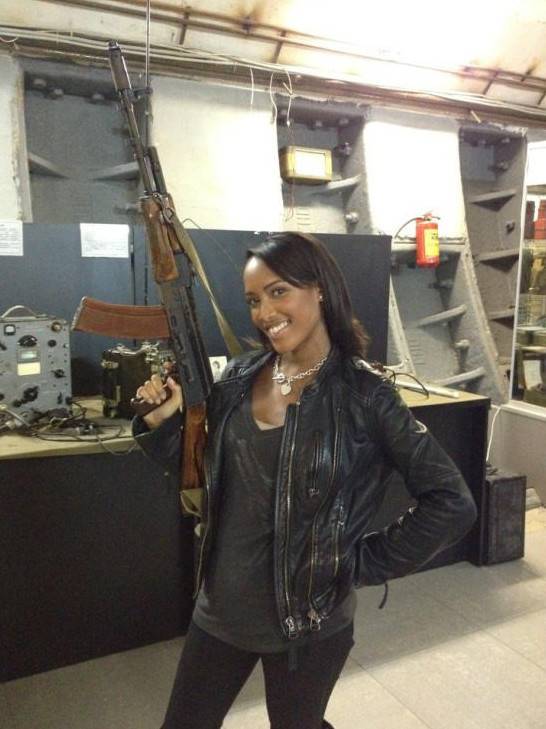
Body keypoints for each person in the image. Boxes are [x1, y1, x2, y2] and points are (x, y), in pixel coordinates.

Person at [133, 232, 477, 729]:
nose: (264, 312)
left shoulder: (366, 395)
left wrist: (358, 562)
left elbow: (451, 502)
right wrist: (162, 423)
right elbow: (209, 479)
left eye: (278, 292)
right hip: (220, 611)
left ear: (319, 289)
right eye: (254, 300)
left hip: (308, 626)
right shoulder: (238, 377)